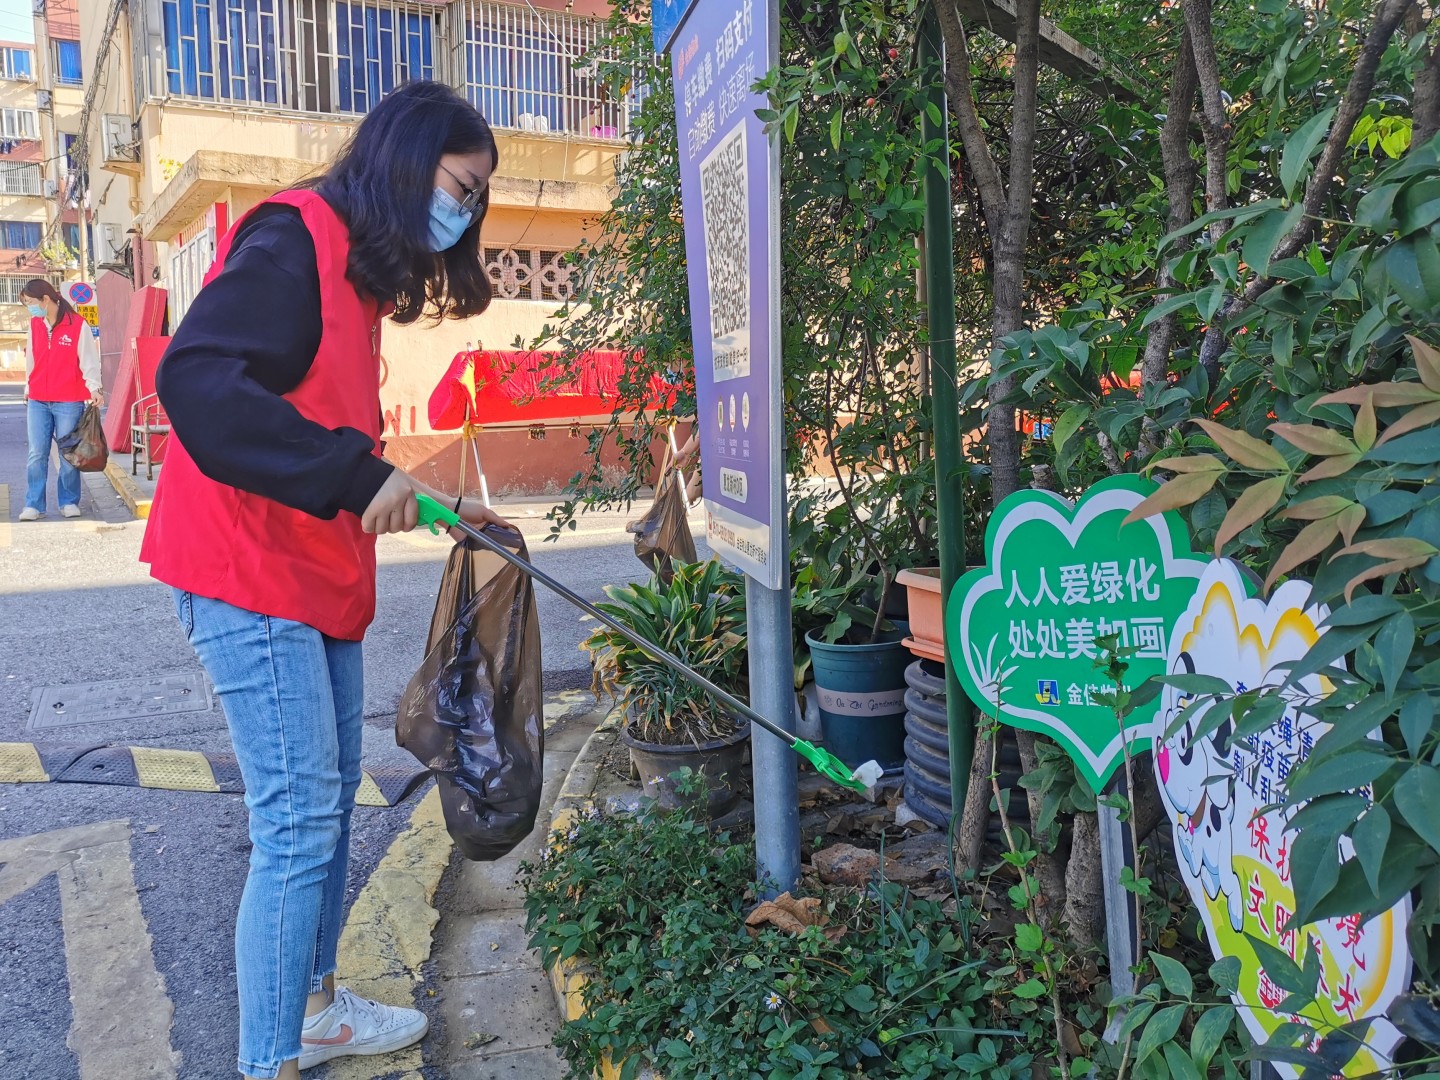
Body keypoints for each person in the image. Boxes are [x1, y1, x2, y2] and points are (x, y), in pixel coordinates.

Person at [140, 81, 511, 1080]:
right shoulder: (294, 238)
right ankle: (269, 1059)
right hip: (246, 571)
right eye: (459, 187)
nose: (464, 214)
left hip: (311, 578)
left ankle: (312, 1010)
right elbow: (198, 380)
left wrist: (430, 499)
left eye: (477, 201)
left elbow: (329, 432)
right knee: (299, 821)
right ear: (405, 156)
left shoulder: (357, 280)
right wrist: (359, 475)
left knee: (326, 809)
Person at [20, 278, 102, 520]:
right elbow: (31, 359)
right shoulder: (34, 324)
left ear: (46, 299)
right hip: (38, 400)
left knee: (68, 453)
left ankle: (69, 501)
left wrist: (95, 388)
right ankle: (33, 505)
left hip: (68, 400)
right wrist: (27, 386)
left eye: (31, 302)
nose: (30, 308)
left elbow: (88, 361)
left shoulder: (77, 325)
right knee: (37, 453)